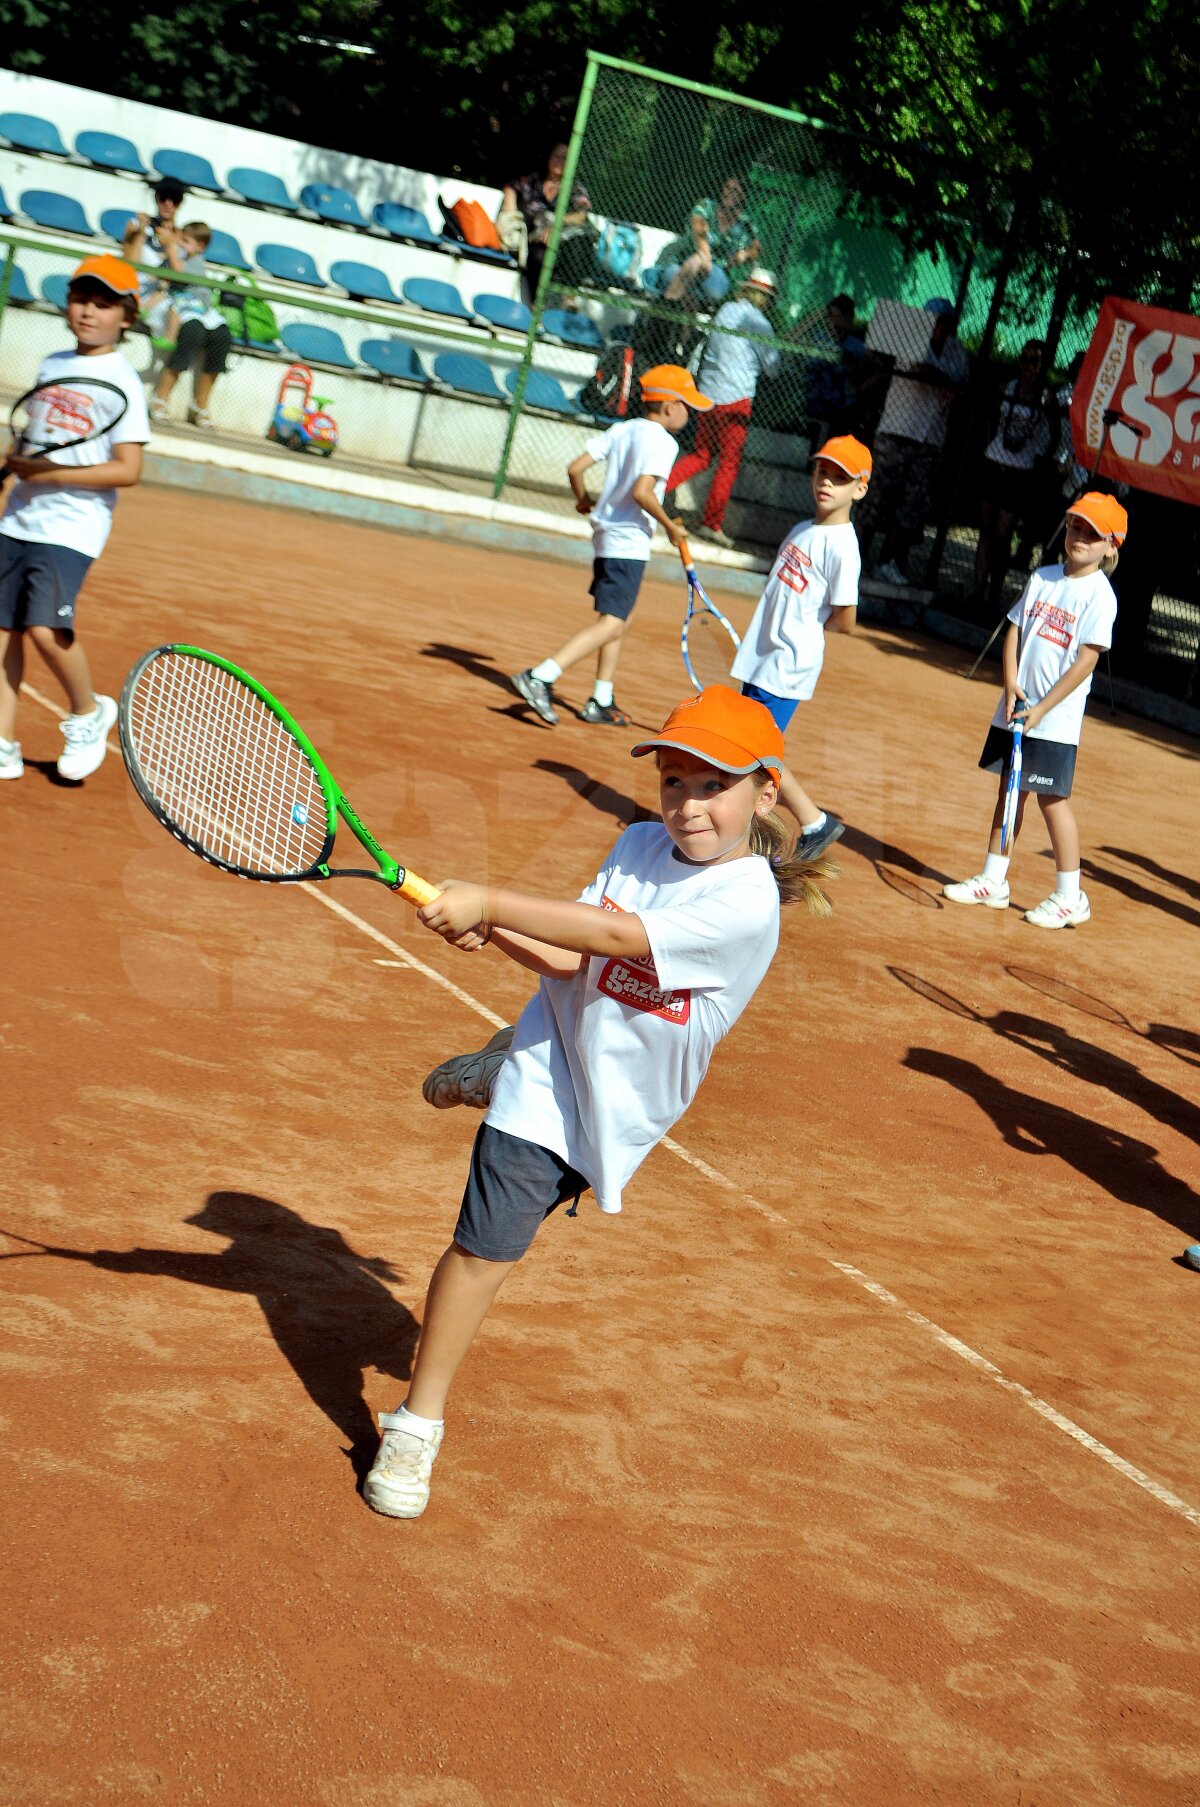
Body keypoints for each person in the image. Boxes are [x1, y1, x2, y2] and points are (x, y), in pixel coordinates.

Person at [362, 684, 836, 1519]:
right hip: (552, 1071)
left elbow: (620, 939)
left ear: (765, 790)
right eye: (674, 784)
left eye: (712, 786)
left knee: (515, 1212)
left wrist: (491, 899)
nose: (688, 808)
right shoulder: (636, 843)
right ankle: (417, 1422)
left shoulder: (745, 900)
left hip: (620, 1106)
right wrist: (491, 930)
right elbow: (570, 954)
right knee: (486, 1247)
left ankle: (495, 1062)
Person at [943, 492, 1126, 929]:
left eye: (1092, 533)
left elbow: (1087, 661)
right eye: (1076, 527)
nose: (1080, 537)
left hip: (1054, 719)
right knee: (1009, 791)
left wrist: (1043, 708)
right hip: (1018, 709)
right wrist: (1010, 683)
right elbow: (1016, 629)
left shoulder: (1100, 595)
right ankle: (993, 880)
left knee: (1052, 801)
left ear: (1111, 546)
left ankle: (1070, 897)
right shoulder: (1042, 578)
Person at [0, 256, 150, 783]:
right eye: (81, 299)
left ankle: (88, 712)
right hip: (19, 518)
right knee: (1, 632)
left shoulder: (124, 381)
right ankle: (3, 744)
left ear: (126, 317)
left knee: (44, 628)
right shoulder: (52, 363)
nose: (89, 311)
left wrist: (49, 474)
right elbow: (31, 437)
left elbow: (128, 469)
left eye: (104, 304)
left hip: (71, 527)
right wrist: (11, 467)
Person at [511, 365, 708, 727]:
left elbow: (575, 468)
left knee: (621, 619)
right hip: (628, 541)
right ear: (669, 407)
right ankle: (540, 676)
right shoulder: (664, 443)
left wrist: (584, 500)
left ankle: (601, 698)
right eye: (686, 405)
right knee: (612, 622)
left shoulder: (623, 429)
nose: (689, 412)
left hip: (606, 536)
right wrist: (670, 528)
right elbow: (642, 492)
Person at [729, 435, 872, 858]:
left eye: (840, 478)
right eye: (822, 471)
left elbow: (847, 619)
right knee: (753, 751)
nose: (827, 482)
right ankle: (808, 824)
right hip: (762, 656)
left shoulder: (844, 546)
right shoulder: (801, 529)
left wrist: (805, 630)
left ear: (859, 488)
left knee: (755, 754)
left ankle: (802, 825)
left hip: (788, 665)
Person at [855, 297, 969, 587]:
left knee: (911, 506)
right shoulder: (909, 339)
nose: (938, 327)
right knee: (876, 497)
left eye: (944, 321)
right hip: (895, 430)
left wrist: (938, 378)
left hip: (930, 439)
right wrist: (938, 379)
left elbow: (957, 391)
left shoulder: (957, 353)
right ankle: (856, 558)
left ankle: (887, 562)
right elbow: (916, 369)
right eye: (933, 320)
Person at [666, 268, 781, 548]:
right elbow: (774, 369)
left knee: (702, 454)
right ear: (764, 297)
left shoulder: (726, 310)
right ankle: (711, 523)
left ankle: (655, 490)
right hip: (737, 399)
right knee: (728, 463)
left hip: (709, 394)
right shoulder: (761, 324)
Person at [973, 339, 1055, 606]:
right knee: (986, 529)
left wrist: (1041, 459)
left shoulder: (1047, 398)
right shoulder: (1008, 387)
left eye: (1034, 361)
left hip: (1020, 470)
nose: (1028, 366)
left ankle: (994, 593)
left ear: (1042, 366)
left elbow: (1054, 434)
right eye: (1024, 358)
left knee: (1003, 531)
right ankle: (977, 592)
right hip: (995, 462)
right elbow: (990, 416)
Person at [148, 222, 233, 429]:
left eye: (186, 241)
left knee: (221, 336)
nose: (181, 244)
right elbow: (164, 277)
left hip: (199, 306)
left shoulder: (193, 261)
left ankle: (199, 405)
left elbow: (181, 272)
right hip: (180, 305)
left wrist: (171, 249)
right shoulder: (175, 256)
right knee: (192, 332)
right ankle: (161, 397)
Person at [499, 145, 592, 306]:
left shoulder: (575, 188)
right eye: (556, 156)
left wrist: (556, 225)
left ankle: (568, 301)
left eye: (565, 158)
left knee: (579, 247)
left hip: (564, 244)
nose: (559, 161)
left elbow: (581, 215)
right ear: (549, 157)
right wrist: (510, 203)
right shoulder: (534, 181)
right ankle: (536, 306)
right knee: (538, 256)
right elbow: (511, 186)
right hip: (537, 240)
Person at [656, 177, 760, 308]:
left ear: (743, 196)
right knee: (677, 273)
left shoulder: (746, 224)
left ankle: (666, 303)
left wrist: (745, 254)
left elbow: (756, 248)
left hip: (716, 275)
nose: (729, 193)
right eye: (727, 188)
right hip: (683, 264)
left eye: (735, 191)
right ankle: (678, 315)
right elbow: (699, 230)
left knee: (701, 281)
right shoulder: (706, 207)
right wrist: (704, 256)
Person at [122, 177, 187, 338]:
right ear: (156, 199)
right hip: (133, 289)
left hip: (160, 296)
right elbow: (130, 264)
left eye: (175, 200)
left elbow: (178, 277)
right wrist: (142, 233)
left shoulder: (181, 237)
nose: (168, 204)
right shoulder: (136, 225)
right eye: (163, 197)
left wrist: (170, 245)